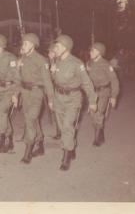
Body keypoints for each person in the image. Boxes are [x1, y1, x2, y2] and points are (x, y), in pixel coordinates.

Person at [51, 35, 97, 171]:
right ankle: (71, 146)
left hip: (73, 99)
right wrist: (53, 74)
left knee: (67, 126)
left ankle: (66, 156)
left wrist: (93, 101)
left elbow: (87, 83)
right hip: (59, 98)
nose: (55, 48)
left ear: (65, 48)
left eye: (57, 46)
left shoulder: (77, 64)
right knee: (62, 127)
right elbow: (56, 81)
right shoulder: (57, 61)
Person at [18, 33, 54, 164]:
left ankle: (28, 151)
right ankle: (40, 145)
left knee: (30, 119)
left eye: (26, 43)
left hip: (36, 93)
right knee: (33, 120)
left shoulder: (41, 60)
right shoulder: (22, 59)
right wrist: (16, 94)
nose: (23, 46)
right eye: (23, 43)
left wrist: (51, 99)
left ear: (33, 45)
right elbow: (19, 78)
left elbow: (47, 81)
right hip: (25, 93)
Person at [87, 42, 119, 146]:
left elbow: (114, 80)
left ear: (100, 53)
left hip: (104, 92)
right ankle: (101, 134)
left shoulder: (106, 64)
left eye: (93, 50)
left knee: (98, 114)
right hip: (93, 92)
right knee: (93, 114)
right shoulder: (89, 63)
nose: (90, 52)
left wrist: (114, 96)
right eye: (91, 50)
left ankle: (97, 139)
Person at [47, 43, 61, 139]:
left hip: (59, 90)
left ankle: (62, 132)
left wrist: (53, 72)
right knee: (56, 112)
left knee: (59, 112)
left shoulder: (58, 62)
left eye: (51, 52)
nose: (48, 54)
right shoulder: (51, 62)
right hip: (53, 89)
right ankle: (59, 131)